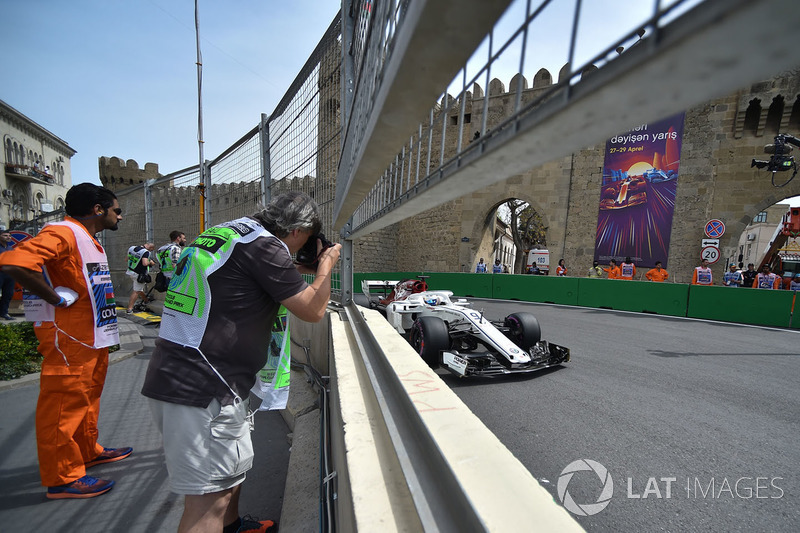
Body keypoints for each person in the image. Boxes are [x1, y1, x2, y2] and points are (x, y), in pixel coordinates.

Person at [141, 191, 341, 533]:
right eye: (305, 240)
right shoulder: (264, 247)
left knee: (228, 480)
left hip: (194, 379)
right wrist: (325, 267)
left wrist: (294, 267)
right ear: (297, 230)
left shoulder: (234, 234)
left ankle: (233, 528)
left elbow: (238, 280)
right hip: (203, 389)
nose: (301, 249)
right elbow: (312, 309)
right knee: (209, 502)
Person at [0, 183, 130, 499]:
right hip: (69, 339)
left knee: (86, 400)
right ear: (98, 210)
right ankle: (62, 478)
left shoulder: (87, 239)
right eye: (117, 210)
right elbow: (15, 263)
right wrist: (54, 299)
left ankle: (87, 449)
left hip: (92, 338)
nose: (120, 217)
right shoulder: (62, 232)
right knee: (62, 407)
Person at [125, 241, 154, 313]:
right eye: (152, 250)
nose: (151, 251)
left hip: (131, 271)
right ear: (150, 247)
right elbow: (145, 263)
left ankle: (146, 300)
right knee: (136, 291)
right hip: (139, 274)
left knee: (138, 288)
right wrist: (150, 262)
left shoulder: (132, 248)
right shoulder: (146, 252)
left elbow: (126, 259)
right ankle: (130, 309)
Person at [0, 231, 16, 320]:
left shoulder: (11, 249)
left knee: (8, 294)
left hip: (9, 274)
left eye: (9, 236)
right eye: (5, 235)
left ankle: (4, 313)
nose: (8, 237)